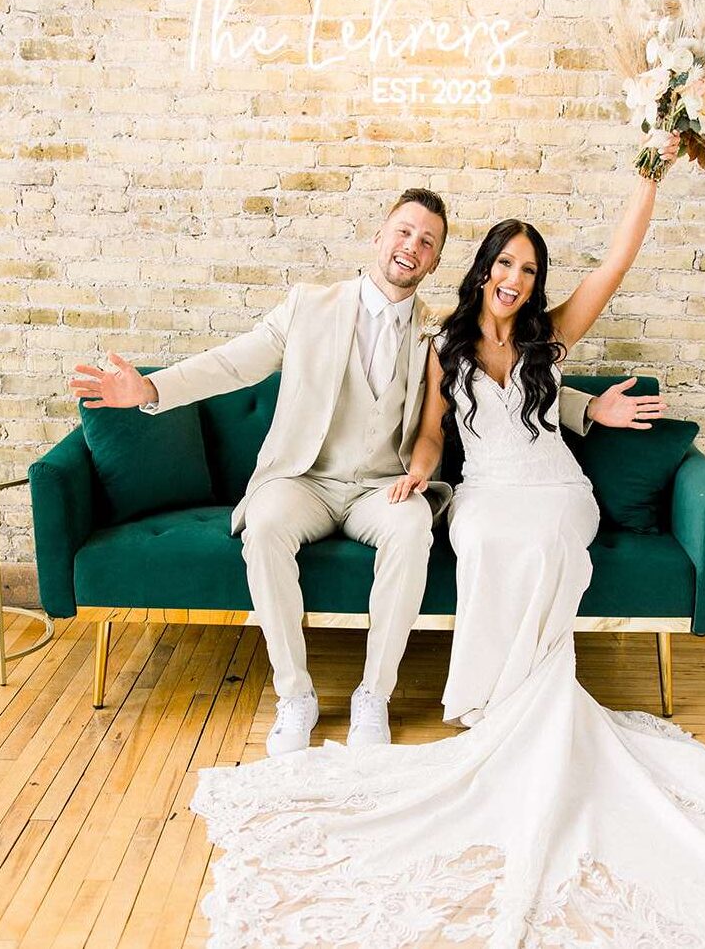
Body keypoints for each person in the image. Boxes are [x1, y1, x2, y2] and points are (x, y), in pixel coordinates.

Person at [188, 149, 705, 947]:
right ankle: (497, 703)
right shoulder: (443, 347)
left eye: (529, 270)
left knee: (544, 537)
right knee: (484, 532)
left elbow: (615, 264)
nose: (515, 278)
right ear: (479, 270)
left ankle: (527, 702)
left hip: (556, 486)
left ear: (537, 284)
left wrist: (649, 175)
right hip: (486, 490)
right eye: (505, 263)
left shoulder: (550, 336)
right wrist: (416, 476)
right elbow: (432, 436)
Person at [69, 188, 596, 758]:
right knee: (264, 524)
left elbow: (507, 375)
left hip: (381, 486)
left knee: (414, 526)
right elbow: (234, 361)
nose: (411, 247)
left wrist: (584, 407)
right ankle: (295, 696)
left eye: (427, 242)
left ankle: (375, 694)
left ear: (437, 262)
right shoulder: (307, 306)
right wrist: (151, 388)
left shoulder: (438, 331)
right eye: (403, 232)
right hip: (305, 481)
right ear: (379, 237)